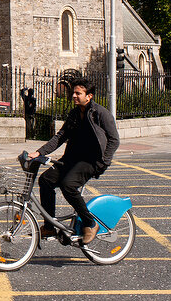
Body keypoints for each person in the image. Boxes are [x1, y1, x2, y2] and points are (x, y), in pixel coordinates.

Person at [27, 78, 119, 245]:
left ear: (89, 96)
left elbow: (114, 140)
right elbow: (61, 137)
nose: (74, 96)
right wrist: (40, 152)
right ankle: (49, 226)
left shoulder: (101, 113)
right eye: (74, 93)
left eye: (78, 93)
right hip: (71, 159)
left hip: (91, 161)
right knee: (45, 180)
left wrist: (104, 162)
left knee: (68, 185)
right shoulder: (74, 114)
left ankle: (90, 224)